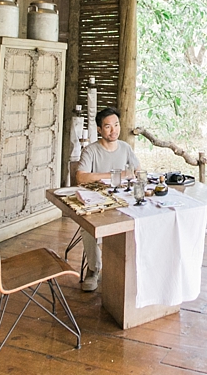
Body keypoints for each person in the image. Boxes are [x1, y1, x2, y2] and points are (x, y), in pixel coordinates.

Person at [74, 106, 140, 292]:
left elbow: (137, 171)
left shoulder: (125, 148)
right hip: (96, 202)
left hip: (121, 201)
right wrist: (113, 176)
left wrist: (132, 176)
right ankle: (93, 269)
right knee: (88, 228)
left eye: (116, 125)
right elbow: (81, 177)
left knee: (141, 219)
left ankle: (130, 270)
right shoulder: (91, 150)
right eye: (108, 127)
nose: (114, 130)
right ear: (100, 129)